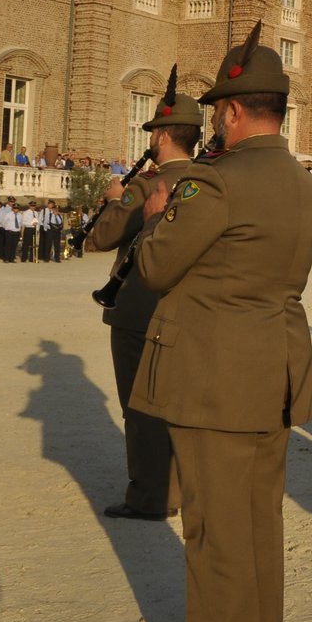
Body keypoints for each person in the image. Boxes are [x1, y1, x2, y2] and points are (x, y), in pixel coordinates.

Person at [131, 27, 312, 622]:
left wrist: (159, 213)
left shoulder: (215, 182)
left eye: (219, 109)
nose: (215, 118)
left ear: (236, 111)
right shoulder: (305, 185)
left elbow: (157, 266)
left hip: (214, 381)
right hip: (272, 372)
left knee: (214, 537)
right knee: (259, 527)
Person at [85, 68, 197, 522]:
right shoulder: (208, 183)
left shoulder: (146, 185)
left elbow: (102, 238)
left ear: (164, 136)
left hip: (138, 309)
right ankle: (178, 487)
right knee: (178, 401)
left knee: (141, 405)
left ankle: (150, 495)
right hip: (188, 309)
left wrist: (116, 197)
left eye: (153, 133)